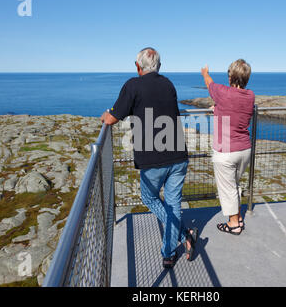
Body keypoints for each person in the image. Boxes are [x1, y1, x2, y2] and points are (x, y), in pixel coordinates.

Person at [101, 47, 198, 268]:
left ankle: (178, 242)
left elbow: (111, 119)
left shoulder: (132, 85)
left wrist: (105, 114)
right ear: (159, 66)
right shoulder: (168, 84)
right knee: (173, 205)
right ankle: (174, 246)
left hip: (153, 159)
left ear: (137, 67)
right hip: (178, 155)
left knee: (150, 199)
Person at [201, 59, 255, 235]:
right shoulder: (250, 95)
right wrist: (218, 108)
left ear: (230, 76)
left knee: (228, 190)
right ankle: (238, 217)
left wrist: (205, 73)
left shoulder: (223, 92)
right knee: (234, 185)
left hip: (226, 151)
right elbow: (234, 110)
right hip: (245, 149)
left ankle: (234, 224)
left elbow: (210, 84)